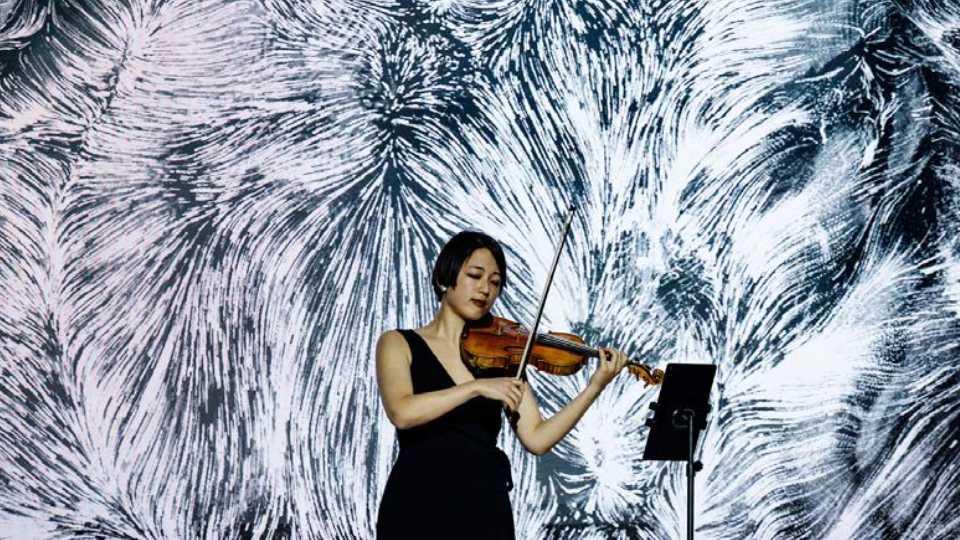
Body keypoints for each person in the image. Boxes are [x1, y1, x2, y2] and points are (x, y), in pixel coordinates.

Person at [374, 231, 630, 539]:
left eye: (494, 283)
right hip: (417, 505)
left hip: (484, 507)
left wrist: (594, 387)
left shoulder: (504, 356)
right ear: (445, 277)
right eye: (475, 275)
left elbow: (537, 438)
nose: (485, 289)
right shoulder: (398, 343)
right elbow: (402, 411)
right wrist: (475, 388)